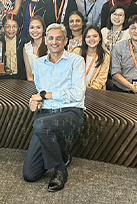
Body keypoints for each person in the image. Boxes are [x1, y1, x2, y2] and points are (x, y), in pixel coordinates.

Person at [23, 23, 85, 192]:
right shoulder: (39, 63)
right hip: (46, 114)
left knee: (40, 125)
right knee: (30, 174)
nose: (54, 42)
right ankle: (63, 155)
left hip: (71, 112)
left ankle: (60, 169)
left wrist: (45, 95)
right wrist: (34, 102)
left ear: (65, 41)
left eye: (59, 38)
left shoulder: (76, 61)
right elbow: (39, 92)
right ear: (45, 40)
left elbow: (77, 93)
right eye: (51, 38)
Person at [76, 25, 110, 90]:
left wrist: (89, 92)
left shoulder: (105, 56)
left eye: (95, 36)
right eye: (88, 37)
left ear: (100, 38)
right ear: (84, 39)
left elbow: (101, 80)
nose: (91, 39)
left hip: (95, 93)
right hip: (76, 92)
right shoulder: (77, 52)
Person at [22, 16, 47, 81]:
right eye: (32, 27)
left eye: (38, 27)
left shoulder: (51, 45)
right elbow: (29, 75)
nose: (35, 31)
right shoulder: (26, 48)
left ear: (43, 29)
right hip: (33, 85)